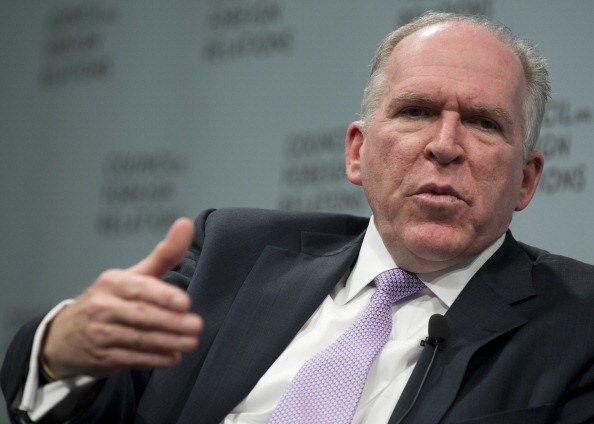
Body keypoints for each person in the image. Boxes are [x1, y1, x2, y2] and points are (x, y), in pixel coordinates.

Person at [3, 11, 594, 424]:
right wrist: (61, 350)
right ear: (357, 152)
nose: (444, 145)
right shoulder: (231, 254)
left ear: (526, 179)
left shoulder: (578, 324)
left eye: (484, 123)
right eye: (416, 111)